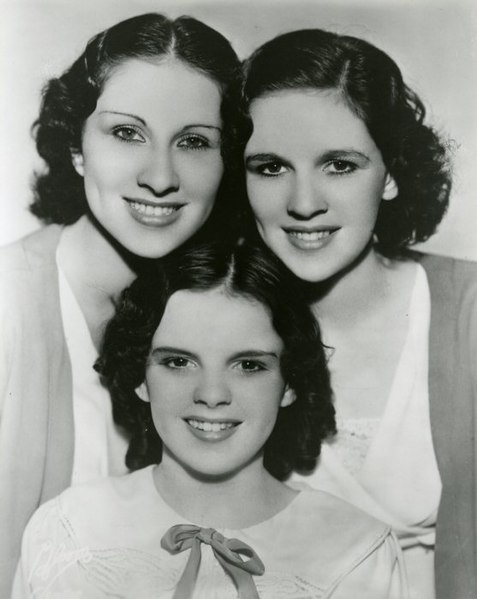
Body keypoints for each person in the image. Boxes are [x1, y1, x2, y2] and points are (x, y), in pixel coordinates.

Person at [12, 240, 407, 598]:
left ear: (289, 383)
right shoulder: (69, 533)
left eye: (248, 365)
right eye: (178, 362)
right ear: (140, 377)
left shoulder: (358, 551)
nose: (212, 394)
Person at [0, 12, 242, 596]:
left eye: (192, 142)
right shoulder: (9, 304)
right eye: (126, 133)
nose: (160, 176)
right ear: (76, 146)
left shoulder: (222, 312)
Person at [241, 29, 477, 599]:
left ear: (391, 172)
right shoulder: (210, 316)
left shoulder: (465, 314)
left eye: (339, 165)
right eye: (270, 167)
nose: (302, 202)